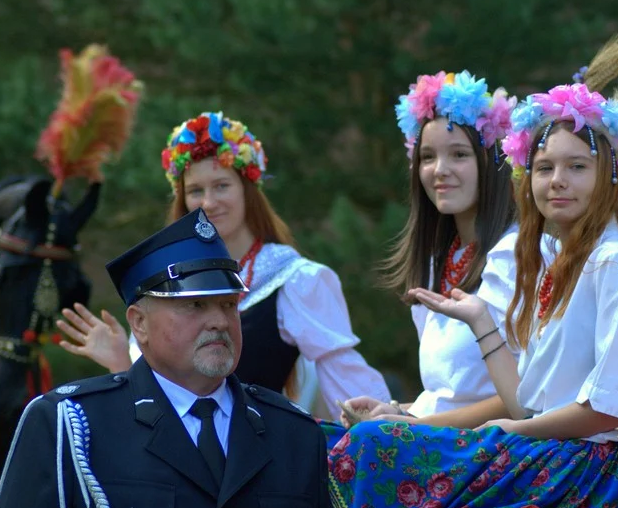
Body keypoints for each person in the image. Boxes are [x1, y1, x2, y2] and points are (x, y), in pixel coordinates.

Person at [328, 84, 618, 508]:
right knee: (334, 441)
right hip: (561, 452)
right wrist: (482, 321)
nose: (557, 181)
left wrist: (516, 430)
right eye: (545, 167)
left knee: (372, 449)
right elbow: (523, 399)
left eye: (577, 167)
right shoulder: (557, 267)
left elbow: (609, 409)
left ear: (611, 176)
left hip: (607, 468)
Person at [0, 209, 364, 508]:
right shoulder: (70, 425)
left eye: (229, 305)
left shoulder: (293, 434)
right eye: (194, 306)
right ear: (138, 323)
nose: (219, 322)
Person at [56, 111, 389, 419]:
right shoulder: (165, 281)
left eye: (222, 186)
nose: (209, 203)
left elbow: (347, 379)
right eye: (196, 190)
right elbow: (154, 407)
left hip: (260, 462)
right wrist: (119, 361)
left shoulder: (294, 280)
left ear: (247, 190)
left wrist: (383, 427)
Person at [342, 71, 520, 429]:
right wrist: (394, 411)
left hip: (499, 447)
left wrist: (412, 426)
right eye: (427, 157)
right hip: (443, 438)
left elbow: (526, 397)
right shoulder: (437, 260)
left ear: (492, 162)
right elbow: (448, 396)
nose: (439, 170)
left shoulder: (516, 254)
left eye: (458, 154)